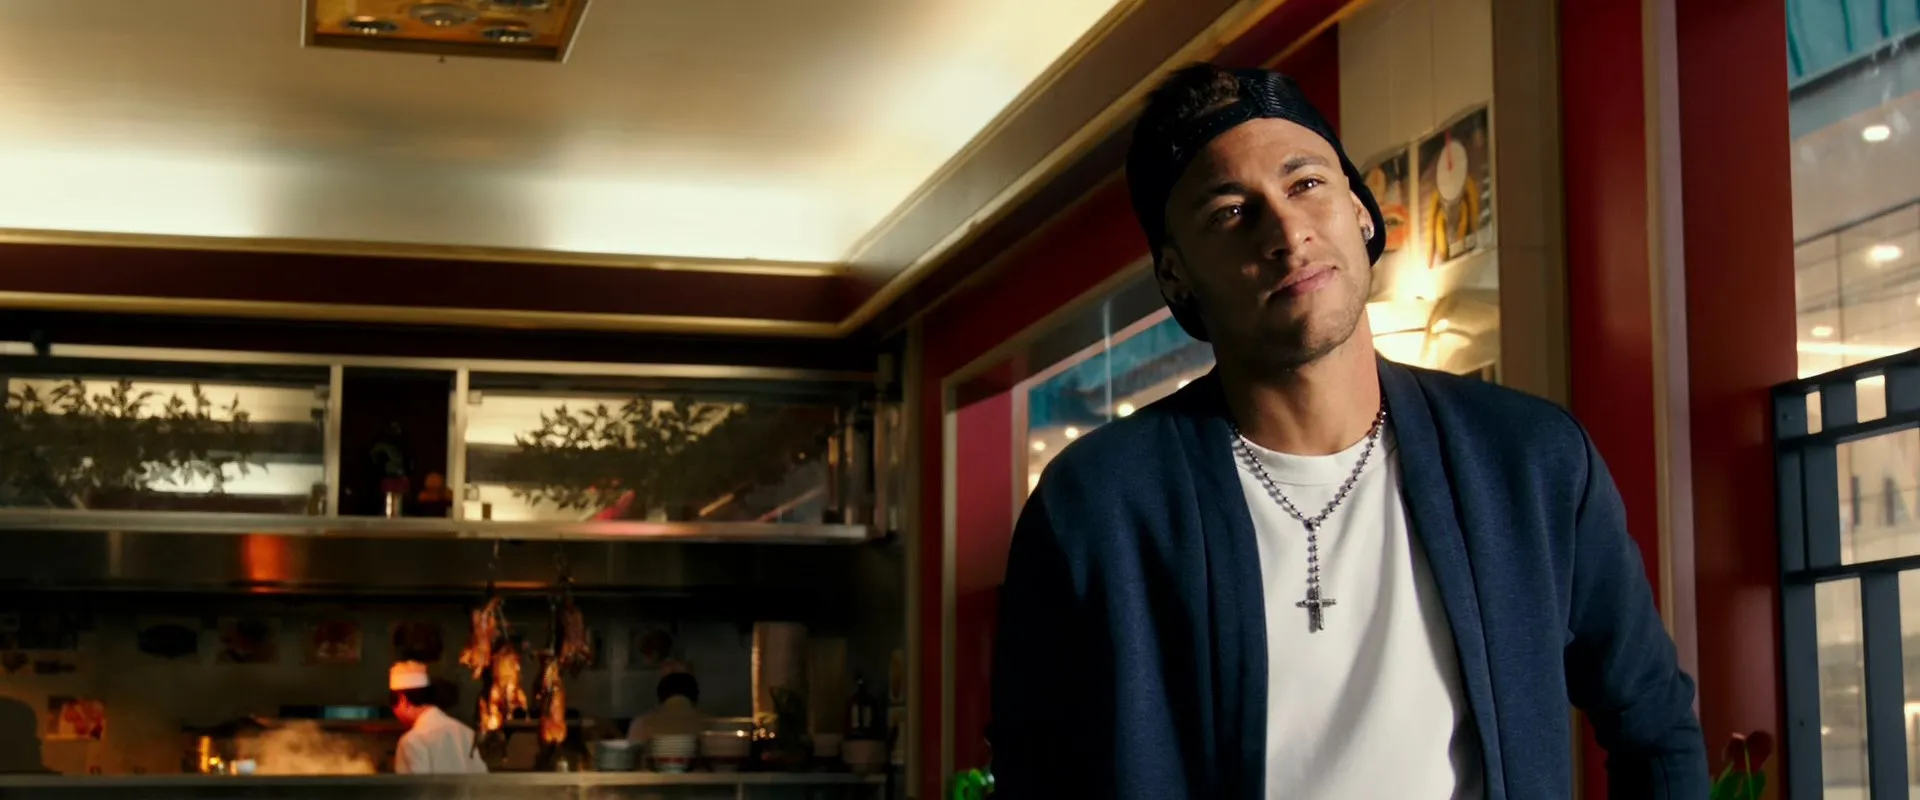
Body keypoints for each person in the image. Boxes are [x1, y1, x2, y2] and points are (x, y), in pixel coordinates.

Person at [988, 64, 1708, 799]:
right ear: (1175, 276)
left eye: (1305, 184)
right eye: (1230, 212)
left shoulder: (1529, 462)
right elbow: (1034, 776)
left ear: (1361, 211)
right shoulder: (1099, 507)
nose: (1287, 231)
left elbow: (1656, 732)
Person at [389, 661, 488, 775]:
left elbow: (415, 786)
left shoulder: (411, 741)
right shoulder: (466, 733)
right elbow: (482, 779)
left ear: (403, 700)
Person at [627, 671, 710, 744]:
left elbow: (633, 751)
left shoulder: (642, 723)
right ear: (696, 696)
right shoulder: (709, 723)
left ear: (660, 696)